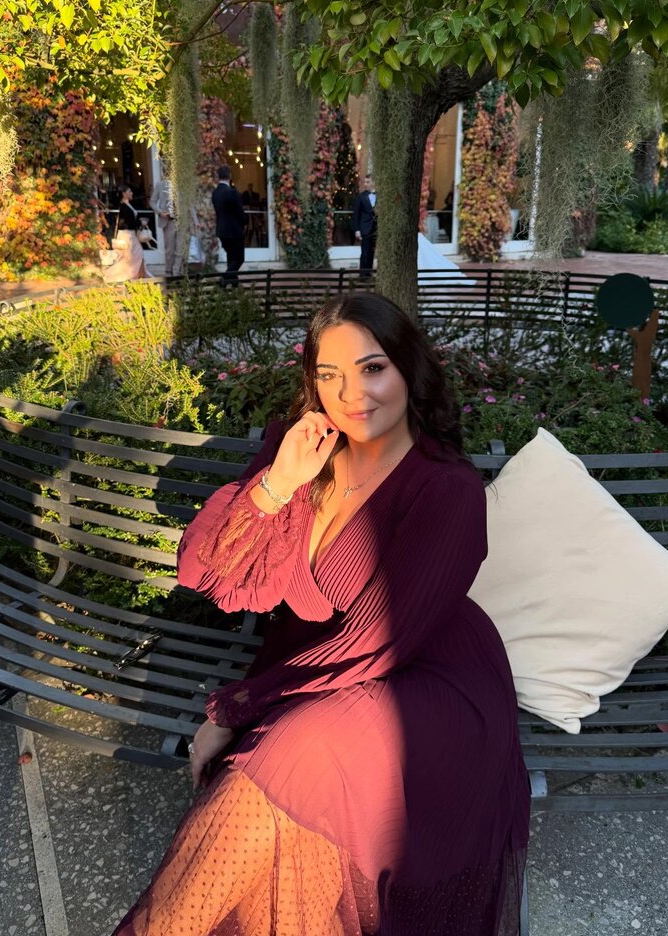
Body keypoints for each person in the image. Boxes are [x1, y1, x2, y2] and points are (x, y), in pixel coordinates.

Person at [111, 291, 530, 936]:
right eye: (329, 374)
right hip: (319, 670)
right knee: (288, 800)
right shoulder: (302, 451)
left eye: (372, 368)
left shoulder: (447, 489)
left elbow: (377, 640)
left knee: (291, 760)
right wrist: (279, 483)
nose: (351, 394)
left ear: (408, 368)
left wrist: (235, 708)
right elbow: (206, 570)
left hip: (427, 677)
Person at [102, 187, 150, 283]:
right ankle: (136, 276)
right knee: (130, 257)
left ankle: (140, 276)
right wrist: (140, 223)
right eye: (129, 191)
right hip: (127, 235)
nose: (132, 193)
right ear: (124, 193)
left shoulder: (128, 204)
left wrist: (139, 222)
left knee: (134, 256)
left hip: (130, 234)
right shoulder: (123, 206)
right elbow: (126, 222)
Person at [212, 165, 248, 287]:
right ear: (230, 176)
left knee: (231, 258)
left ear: (218, 177)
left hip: (222, 231)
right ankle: (223, 281)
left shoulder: (215, 193)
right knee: (239, 259)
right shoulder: (232, 192)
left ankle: (234, 284)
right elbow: (239, 212)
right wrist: (245, 222)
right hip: (234, 231)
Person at [150, 174, 178, 277]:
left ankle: (179, 271)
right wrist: (160, 212)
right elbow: (152, 201)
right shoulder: (160, 185)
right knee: (169, 248)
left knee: (180, 248)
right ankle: (168, 271)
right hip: (168, 220)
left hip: (181, 220)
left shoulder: (181, 185)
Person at [352, 175, 377, 280]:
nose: (365, 184)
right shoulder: (360, 197)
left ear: (373, 183)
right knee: (365, 252)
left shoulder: (379, 196)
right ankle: (362, 275)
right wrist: (357, 230)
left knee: (372, 252)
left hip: (376, 229)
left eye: (368, 182)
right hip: (365, 228)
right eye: (365, 182)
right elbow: (356, 215)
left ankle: (369, 273)